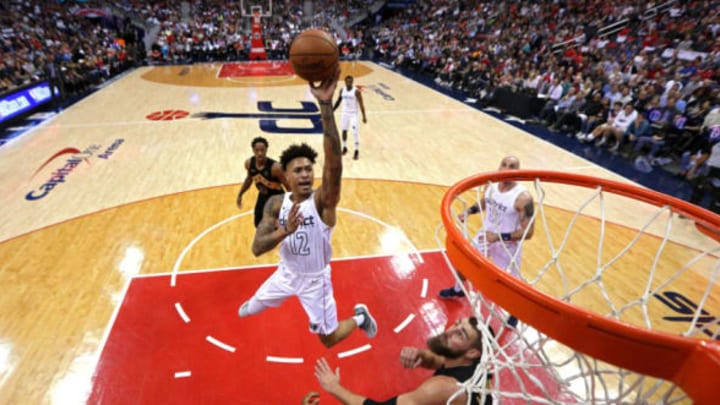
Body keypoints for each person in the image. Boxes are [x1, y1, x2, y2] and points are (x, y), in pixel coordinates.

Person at [238, 69, 377, 348]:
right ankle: (258, 301)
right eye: (297, 170)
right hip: (286, 273)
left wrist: (325, 106)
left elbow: (334, 164)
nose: (304, 175)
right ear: (285, 177)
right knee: (249, 309)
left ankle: (361, 318)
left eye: (308, 169)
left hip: (316, 282)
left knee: (328, 340)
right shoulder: (276, 203)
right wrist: (283, 232)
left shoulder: (323, 202)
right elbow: (256, 248)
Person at [439, 156, 535, 327]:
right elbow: (486, 202)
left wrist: (499, 237)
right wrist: (468, 212)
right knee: (465, 262)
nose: (506, 168)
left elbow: (528, 233)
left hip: (508, 245)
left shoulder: (522, 197)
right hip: (485, 236)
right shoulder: (491, 184)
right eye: (504, 164)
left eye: (512, 166)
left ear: (518, 172)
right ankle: (458, 290)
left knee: (510, 285)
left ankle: (515, 312)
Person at [312, 317, 493, 405]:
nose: (449, 331)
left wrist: (334, 387)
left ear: (472, 351)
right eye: (457, 324)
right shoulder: (479, 363)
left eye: (460, 334)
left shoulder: (442, 387)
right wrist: (421, 356)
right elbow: (437, 360)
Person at [236, 137, 286, 227]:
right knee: (258, 223)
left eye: (262, 150)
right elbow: (249, 179)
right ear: (253, 150)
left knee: (276, 226)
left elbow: (289, 186)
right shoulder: (249, 163)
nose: (260, 153)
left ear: (266, 150)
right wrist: (240, 193)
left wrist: (295, 202)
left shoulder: (275, 168)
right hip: (263, 195)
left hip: (277, 197)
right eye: (257, 150)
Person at [333, 75, 367, 160]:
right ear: (345, 82)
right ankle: (344, 147)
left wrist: (364, 116)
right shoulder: (342, 90)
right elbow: (338, 101)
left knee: (355, 132)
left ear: (352, 82)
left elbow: (361, 104)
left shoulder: (356, 92)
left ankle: (356, 150)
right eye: (347, 81)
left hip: (353, 114)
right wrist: (332, 110)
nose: (349, 83)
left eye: (350, 81)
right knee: (344, 131)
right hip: (344, 114)